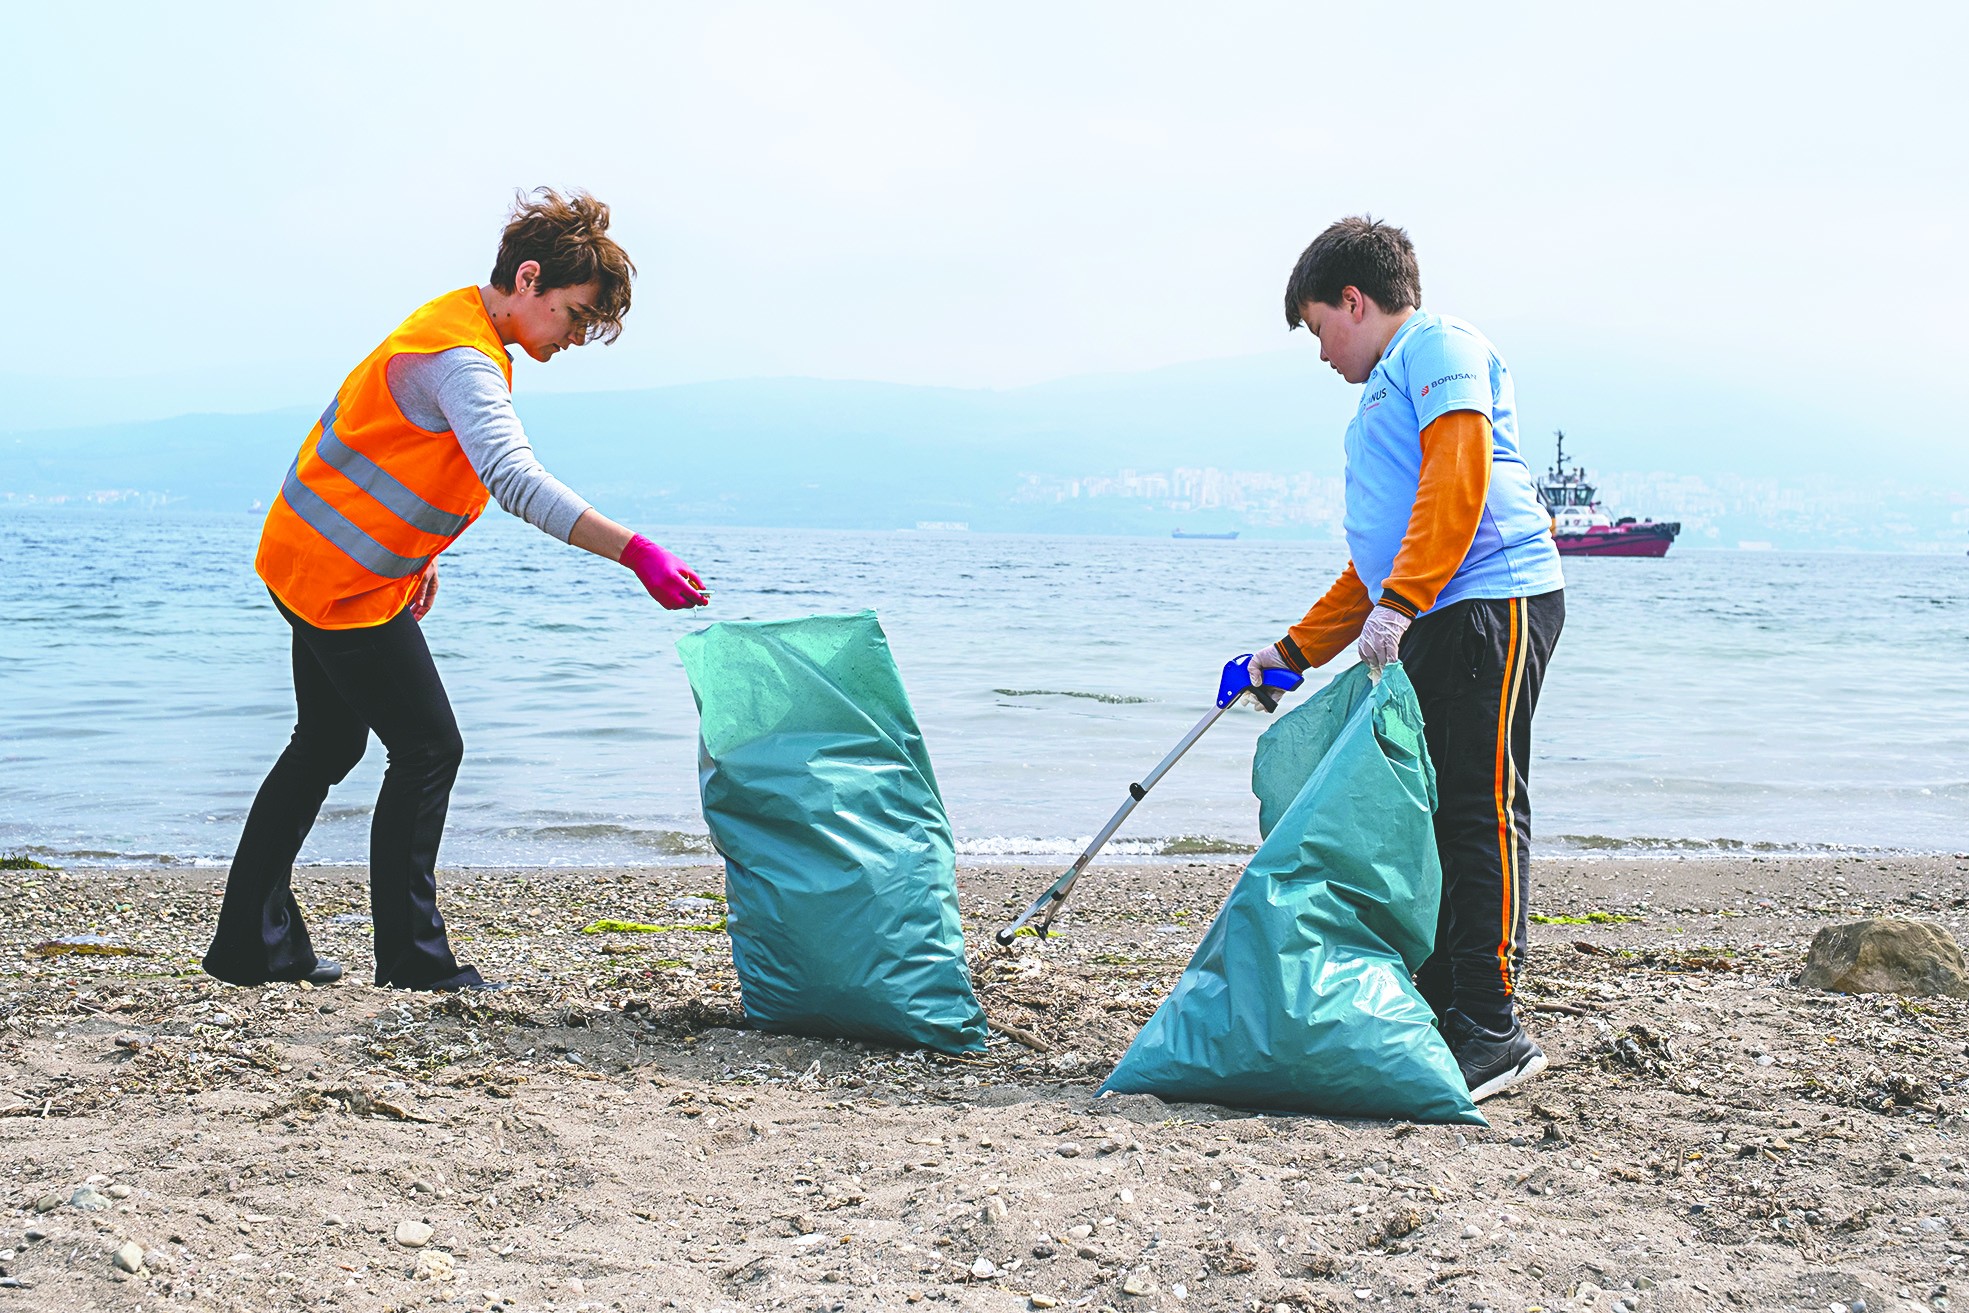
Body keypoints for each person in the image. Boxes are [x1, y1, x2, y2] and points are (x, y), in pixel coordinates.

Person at [203, 188, 708, 992]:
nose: (574, 338)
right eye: (573, 316)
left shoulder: (453, 320)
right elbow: (512, 478)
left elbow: (397, 446)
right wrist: (633, 551)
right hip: (340, 580)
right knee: (430, 746)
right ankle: (411, 960)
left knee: (328, 743)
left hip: (304, 557)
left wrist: (418, 551)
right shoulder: (464, 359)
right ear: (529, 279)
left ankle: (249, 944)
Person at [1243, 216, 1565, 1102]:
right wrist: (1290, 652)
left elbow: (1456, 476)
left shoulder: (1437, 346)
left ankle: (1491, 1027)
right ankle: (1444, 1003)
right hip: (1430, 608)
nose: (1319, 353)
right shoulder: (1380, 392)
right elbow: (1373, 561)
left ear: (1354, 299)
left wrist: (1404, 599)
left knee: (1477, 807)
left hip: (1489, 601)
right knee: (1430, 815)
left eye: (1317, 328)